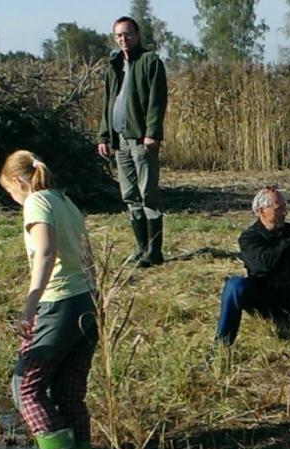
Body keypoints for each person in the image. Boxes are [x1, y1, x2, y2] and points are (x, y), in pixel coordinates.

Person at [0, 151, 99, 449]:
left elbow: (45, 252)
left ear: (18, 182)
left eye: (10, 193)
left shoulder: (37, 201)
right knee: (69, 393)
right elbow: (87, 254)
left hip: (58, 302)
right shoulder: (65, 201)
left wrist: (30, 306)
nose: (13, 201)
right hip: (85, 301)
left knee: (25, 386)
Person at [98, 15, 168, 268]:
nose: (123, 39)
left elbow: (156, 101)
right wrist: (104, 135)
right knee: (129, 195)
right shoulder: (114, 64)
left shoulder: (150, 61)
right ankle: (140, 248)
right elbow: (108, 103)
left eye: (127, 34)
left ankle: (154, 252)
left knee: (148, 194)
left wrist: (152, 132)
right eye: (118, 35)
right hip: (120, 141)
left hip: (141, 139)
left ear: (137, 35)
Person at [214, 186, 290, 345]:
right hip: (265, 296)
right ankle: (222, 345)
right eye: (279, 208)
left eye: (285, 207)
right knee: (234, 286)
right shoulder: (249, 238)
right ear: (261, 211)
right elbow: (263, 264)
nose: (285, 212)